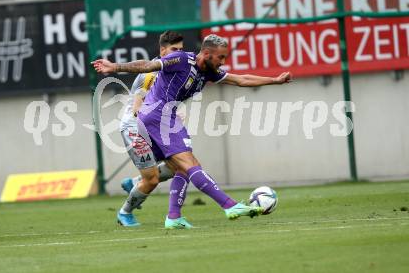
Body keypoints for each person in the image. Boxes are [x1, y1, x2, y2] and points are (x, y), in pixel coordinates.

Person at [93, 34, 292, 229]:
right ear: (206, 53)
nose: (223, 61)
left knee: (179, 168)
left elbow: (241, 80)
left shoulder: (208, 72)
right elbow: (147, 65)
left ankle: (173, 217)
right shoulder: (181, 59)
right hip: (158, 115)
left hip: (161, 117)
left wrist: (275, 80)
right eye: (221, 57)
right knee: (191, 164)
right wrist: (115, 67)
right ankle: (230, 206)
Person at [116, 31, 184, 227]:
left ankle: (135, 182)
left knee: (177, 166)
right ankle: (124, 213)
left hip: (155, 125)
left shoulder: (173, 71)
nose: (178, 54)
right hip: (135, 127)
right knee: (152, 180)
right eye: (174, 50)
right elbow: (138, 108)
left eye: (180, 50)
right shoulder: (151, 73)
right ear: (163, 51)